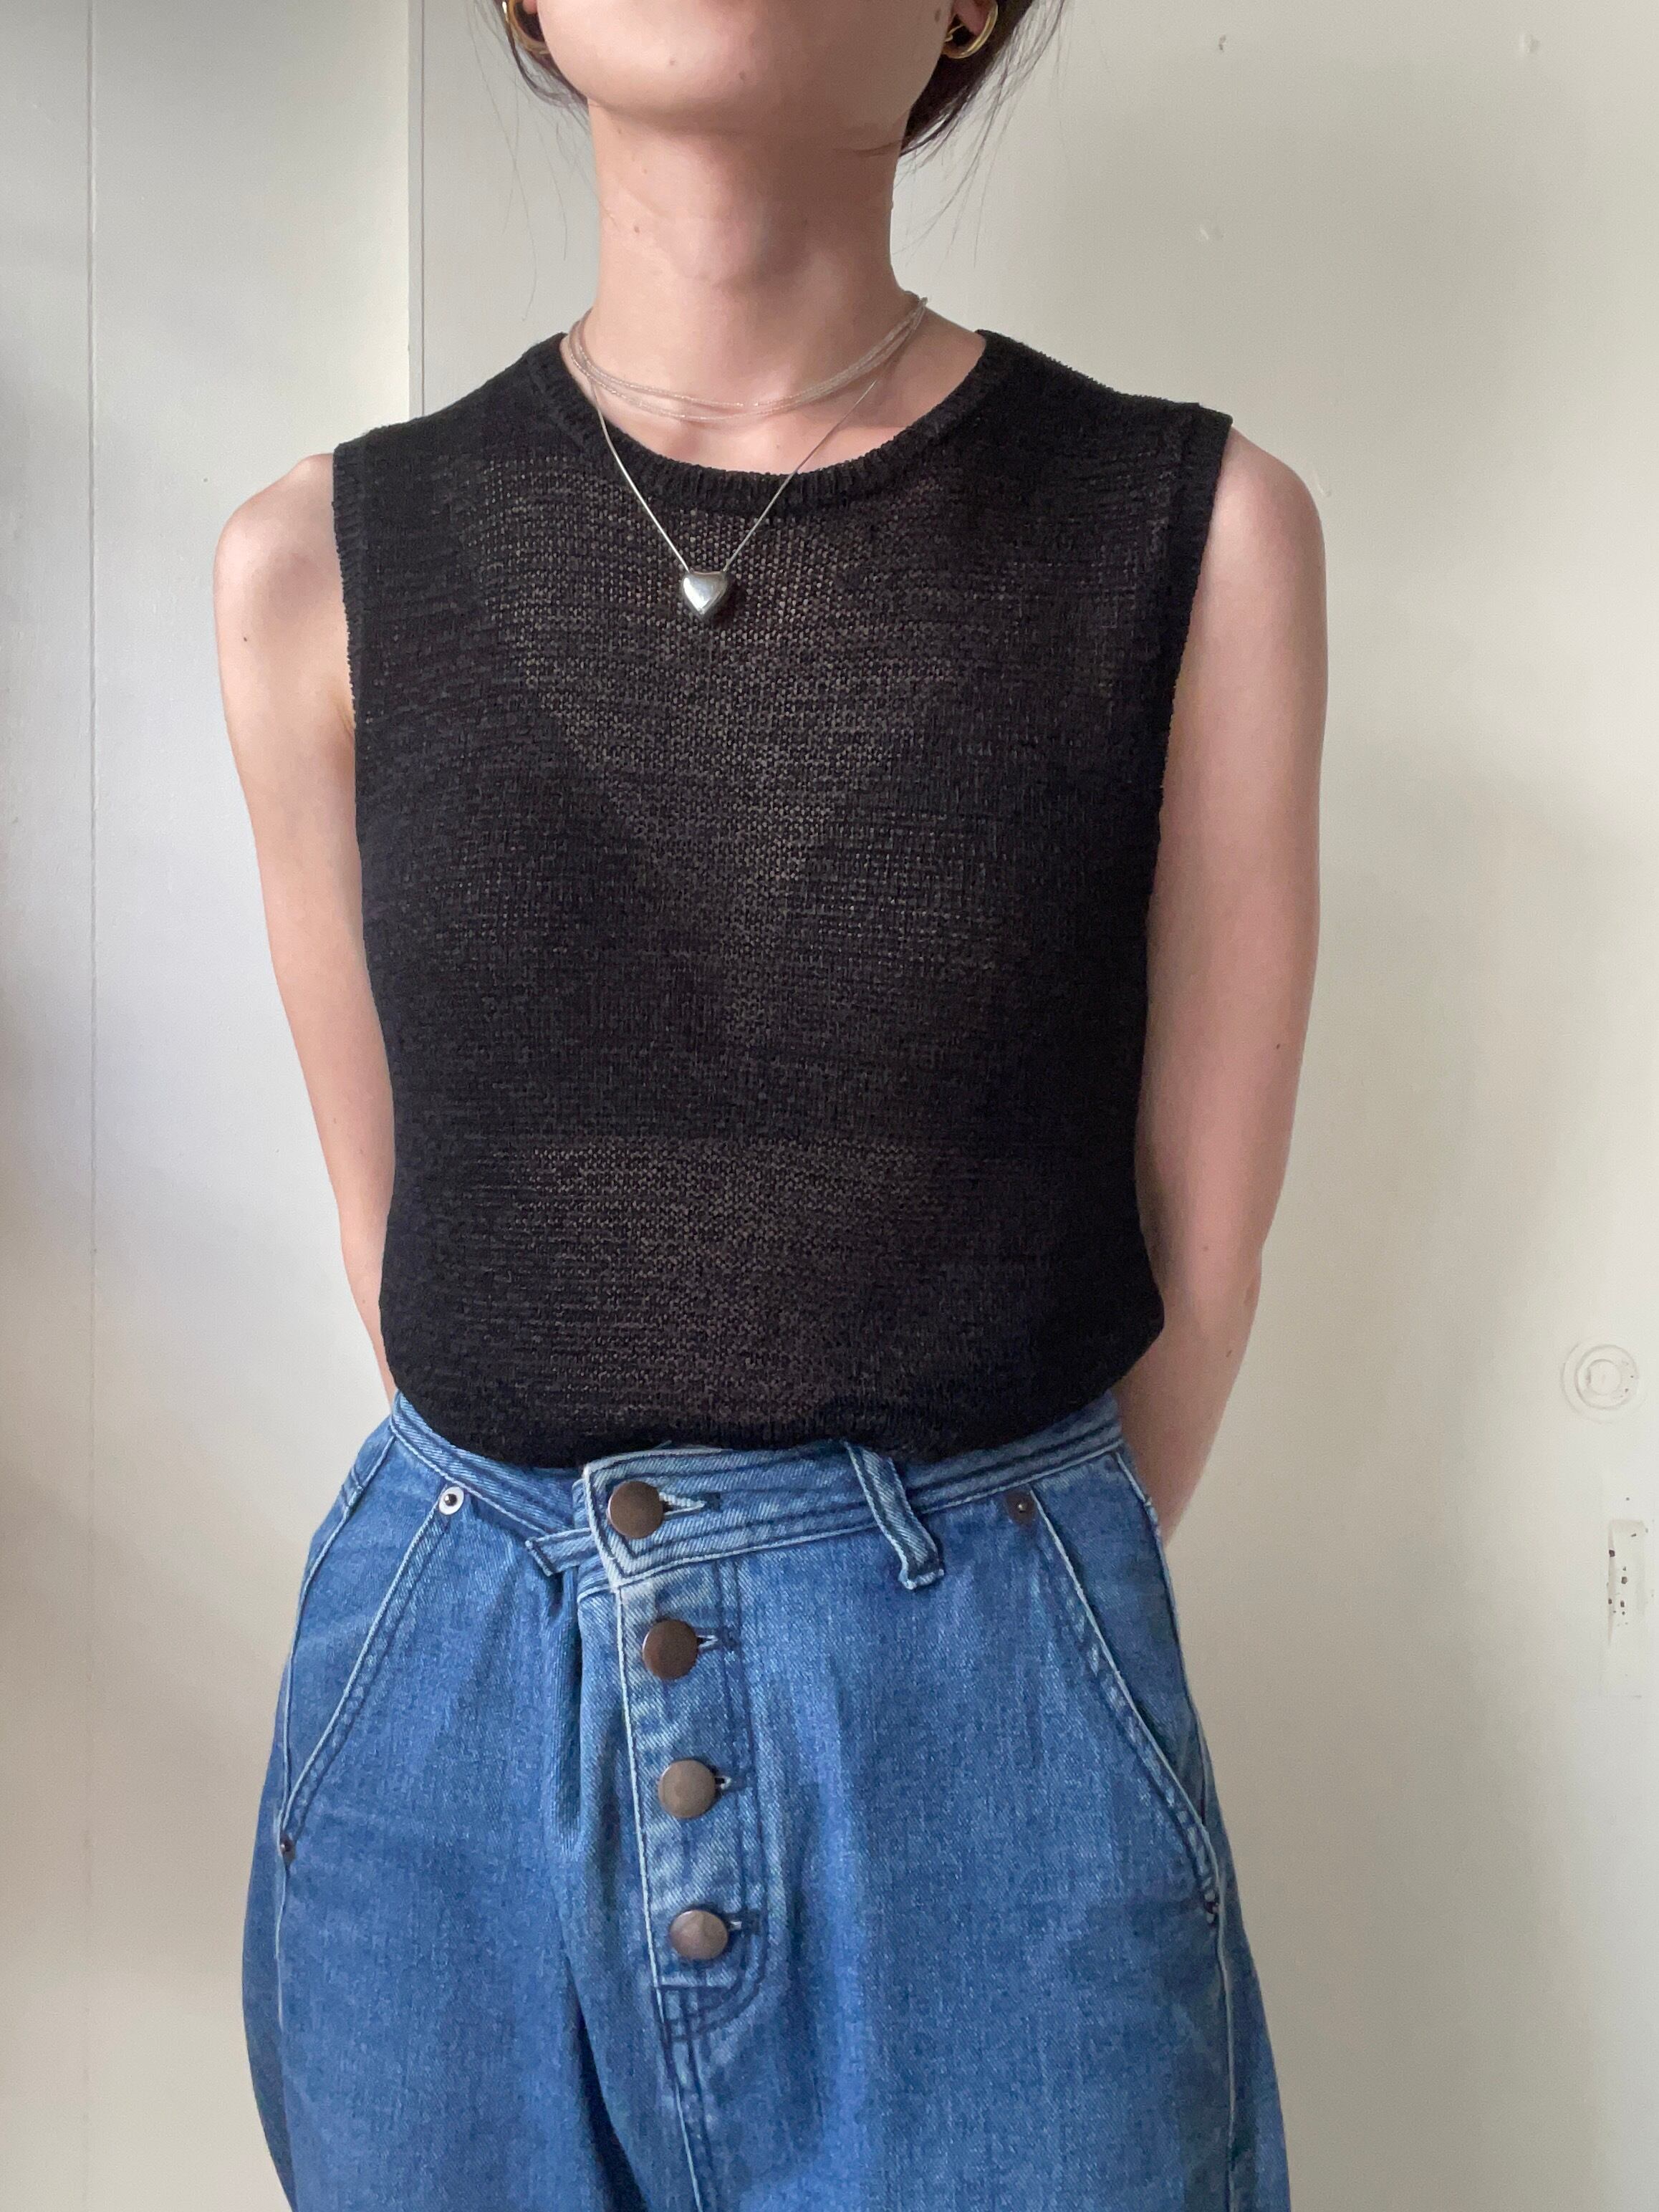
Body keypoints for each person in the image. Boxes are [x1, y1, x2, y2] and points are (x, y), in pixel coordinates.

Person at [213, 0, 1326, 2204]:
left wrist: (946, 1615)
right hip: (442, 1733)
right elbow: (395, 1225)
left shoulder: (1192, 533)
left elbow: (1198, 1253)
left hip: (981, 1724)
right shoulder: (311, 564)